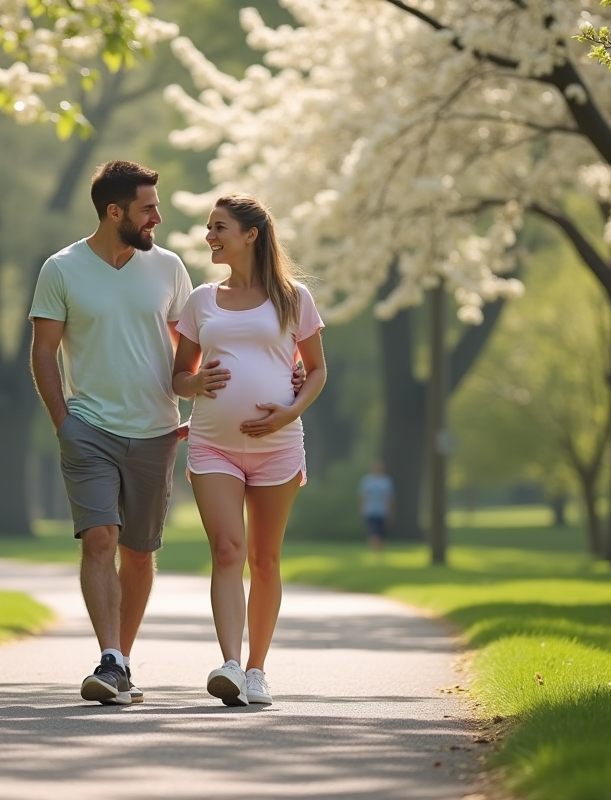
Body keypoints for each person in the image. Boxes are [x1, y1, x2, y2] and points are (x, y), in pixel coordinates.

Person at [29, 160, 190, 706]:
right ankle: (111, 659)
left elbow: (191, 346)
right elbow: (44, 352)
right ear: (114, 211)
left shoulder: (168, 269)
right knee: (100, 538)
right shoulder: (62, 268)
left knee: (139, 553)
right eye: (148, 209)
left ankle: (120, 661)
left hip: (156, 430)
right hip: (89, 428)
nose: (157, 219)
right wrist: (63, 422)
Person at [172, 194, 327, 707]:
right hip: (213, 444)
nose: (210, 235)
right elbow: (179, 376)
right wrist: (192, 386)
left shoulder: (293, 298)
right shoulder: (200, 300)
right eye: (209, 227)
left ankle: (258, 670)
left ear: (250, 234)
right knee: (226, 550)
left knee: (264, 559)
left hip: (278, 445)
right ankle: (230, 665)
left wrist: (290, 411)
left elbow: (317, 369)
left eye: (219, 227)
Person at [358, 459, 395, 552]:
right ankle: (374, 552)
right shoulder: (367, 481)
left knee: (382, 534)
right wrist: (362, 510)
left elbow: (389, 498)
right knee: (373, 533)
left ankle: (380, 553)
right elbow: (363, 497)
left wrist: (390, 512)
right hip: (370, 511)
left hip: (382, 511)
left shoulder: (386, 481)